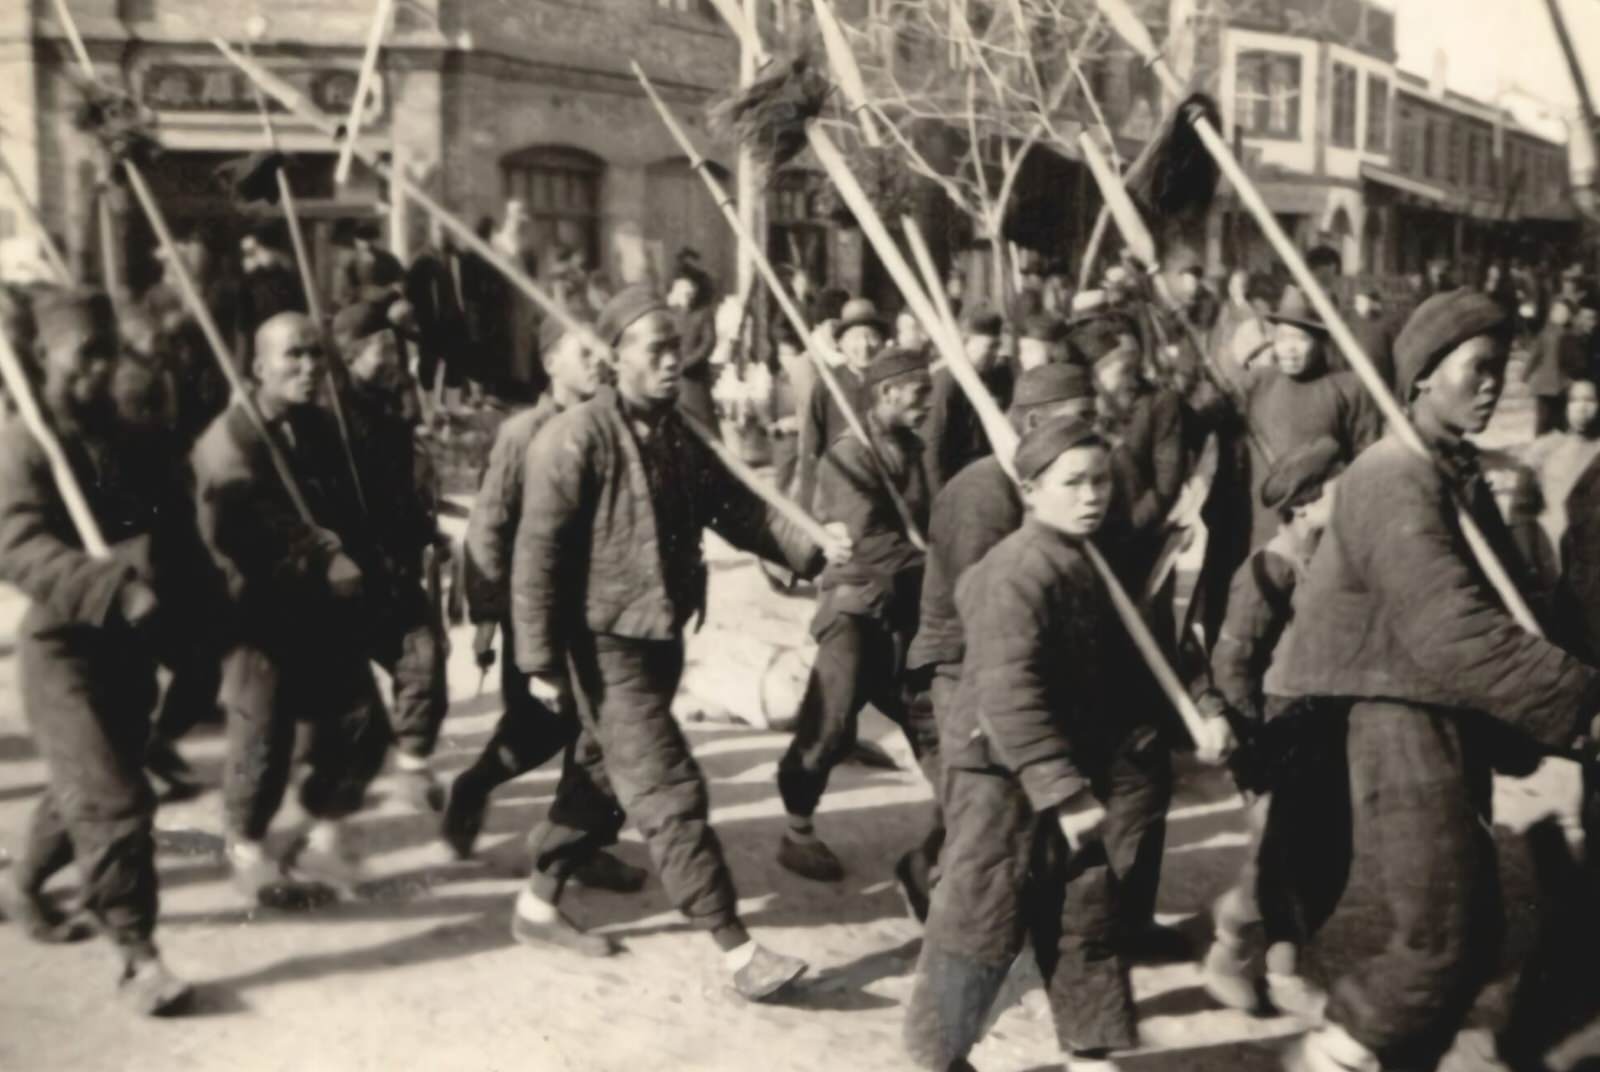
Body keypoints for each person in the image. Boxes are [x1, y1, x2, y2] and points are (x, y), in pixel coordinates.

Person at [1272, 290, 1600, 1072]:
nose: (1493, 385)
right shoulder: (1392, 477)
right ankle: (1333, 1054)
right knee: (1440, 940)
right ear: (1420, 376)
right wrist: (1583, 705)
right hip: (1396, 715)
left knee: (1475, 932)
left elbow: (1515, 605)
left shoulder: (1455, 475)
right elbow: (1450, 628)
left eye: (1501, 369)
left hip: (1440, 712)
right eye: (1476, 370)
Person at [509, 285, 851, 998]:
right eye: (657, 349)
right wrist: (539, 660)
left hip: (660, 636)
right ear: (615, 357)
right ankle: (738, 953)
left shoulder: (680, 432)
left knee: (601, 776)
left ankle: (536, 906)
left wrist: (816, 553)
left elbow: (741, 512)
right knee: (669, 790)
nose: (674, 361)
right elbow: (535, 555)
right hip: (604, 645)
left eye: (677, 348)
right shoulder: (574, 439)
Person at [905, 416, 1227, 1072]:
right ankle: (935, 1057)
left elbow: (1140, 655)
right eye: (1072, 483)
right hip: (999, 776)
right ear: (1030, 491)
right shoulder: (1015, 572)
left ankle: (1091, 1051)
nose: (1092, 495)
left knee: (1087, 913)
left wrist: (1203, 707)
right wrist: (1065, 792)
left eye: (1101, 480)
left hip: (1067, 770)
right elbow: (1008, 693)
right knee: (981, 918)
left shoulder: (1090, 560)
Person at [0, 288, 211, 1016]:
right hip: (61, 651)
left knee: (88, 785)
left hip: (129, 648)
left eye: (107, 352)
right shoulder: (23, 444)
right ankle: (136, 954)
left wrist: (196, 639)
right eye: (84, 356)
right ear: (41, 358)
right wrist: (111, 587)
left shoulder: (129, 439)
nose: (100, 370)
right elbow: (17, 546)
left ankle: (18, 882)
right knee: (116, 803)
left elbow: (179, 539)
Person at [448, 314, 646, 918]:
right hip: (537, 612)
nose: (597, 363)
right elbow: (488, 525)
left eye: (599, 353)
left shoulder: (611, 428)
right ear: (549, 363)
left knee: (603, 738)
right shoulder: (521, 433)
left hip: (598, 610)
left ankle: (582, 848)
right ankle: (474, 785)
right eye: (580, 353)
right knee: (539, 729)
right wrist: (485, 614)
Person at [194, 311, 391, 903]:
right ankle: (246, 848)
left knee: (362, 724)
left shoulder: (319, 427)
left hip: (322, 605)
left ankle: (324, 839)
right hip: (256, 607)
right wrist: (321, 552)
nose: (309, 368)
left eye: (315, 355)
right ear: (259, 368)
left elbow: (347, 500)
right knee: (264, 737)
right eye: (294, 357)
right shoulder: (230, 439)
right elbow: (240, 527)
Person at [774, 346, 939, 902]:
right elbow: (870, 546)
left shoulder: (915, 450)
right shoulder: (846, 457)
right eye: (918, 395)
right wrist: (944, 568)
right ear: (886, 393)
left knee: (932, 718)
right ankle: (797, 831)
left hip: (905, 614)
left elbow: (932, 521)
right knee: (830, 726)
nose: (927, 406)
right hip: (855, 612)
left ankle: (956, 831)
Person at [1195, 436, 1342, 1021]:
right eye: (1338, 489)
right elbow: (1232, 666)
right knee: (1273, 862)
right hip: (1275, 731)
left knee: (1314, 860)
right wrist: (1251, 758)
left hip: (1324, 726)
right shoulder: (1267, 570)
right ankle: (1233, 951)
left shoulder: (1333, 556)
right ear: (1304, 505)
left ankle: (1284, 964)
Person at [332, 299, 453, 812]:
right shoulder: (330, 414)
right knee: (355, 718)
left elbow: (401, 489)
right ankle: (326, 820)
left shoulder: (389, 405)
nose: (393, 357)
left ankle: (412, 768)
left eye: (393, 347)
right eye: (381, 348)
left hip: (396, 566)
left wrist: (427, 531)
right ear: (353, 353)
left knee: (425, 663)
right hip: (346, 574)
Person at [1239, 286, 1381, 549]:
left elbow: (1366, 462)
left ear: (1320, 341)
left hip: (1322, 524)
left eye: (1300, 339)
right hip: (1266, 525)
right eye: (1282, 338)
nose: (1289, 349)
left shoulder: (1348, 389)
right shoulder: (1259, 384)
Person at [797, 297, 884, 510]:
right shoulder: (828, 385)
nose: (864, 346)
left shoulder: (890, 386)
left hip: (883, 489)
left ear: (882, 341)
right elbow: (811, 446)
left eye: (871, 336)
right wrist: (805, 504)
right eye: (855, 337)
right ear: (841, 344)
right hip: (839, 488)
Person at [923, 304, 1009, 495]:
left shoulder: (990, 377)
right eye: (990, 347)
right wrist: (941, 500)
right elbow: (932, 448)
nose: (996, 355)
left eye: (998, 346)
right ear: (964, 342)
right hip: (956, 483)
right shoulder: (946, 382)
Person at [404, 216, 475, 404]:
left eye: (445, 230)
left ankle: (452, 411)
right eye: (439, 229)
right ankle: (428, 411)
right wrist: (420, 319)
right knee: (428, 369)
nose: (442, 234)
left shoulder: (455, 258)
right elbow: (410, 292)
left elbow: (466, 288)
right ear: (431, 231)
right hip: (432, 324)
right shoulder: (421, 261)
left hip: (455, 322)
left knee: (455, 369)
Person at [1525, 297, 1580, 435]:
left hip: (1563, 384)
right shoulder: (1545, 334)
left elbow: (1576, 360)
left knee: (1561, 420)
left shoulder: (1573, 335)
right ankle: (1540, 446)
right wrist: (1525, 374)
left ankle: (1558, 447)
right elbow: (1535, 355)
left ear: (1570, 315)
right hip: (1545, 384)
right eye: (1556, 311)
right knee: (1543, 420)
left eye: (1564, 312)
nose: (1560, 315)